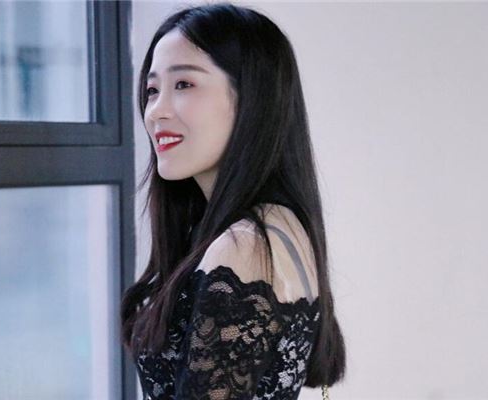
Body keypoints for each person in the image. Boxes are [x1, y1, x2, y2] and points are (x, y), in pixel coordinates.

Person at [121, 3, 346, 399]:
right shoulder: (280, 223)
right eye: (152, 90)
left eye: (184, 84)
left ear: (252, 99)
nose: (156, 112)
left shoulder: (244, 245)